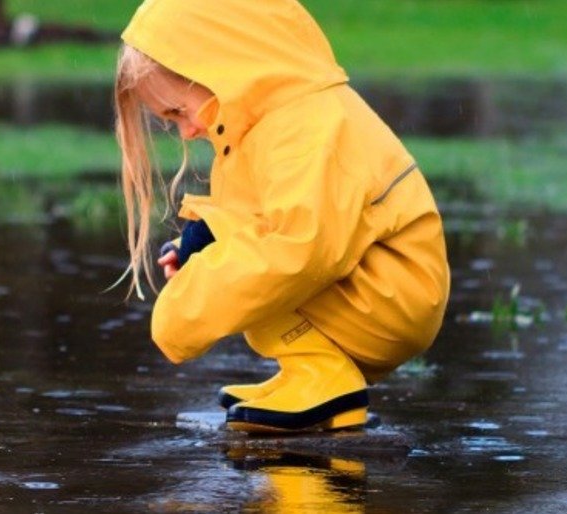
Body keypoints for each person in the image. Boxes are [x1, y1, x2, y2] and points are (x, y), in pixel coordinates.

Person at [113, 0, 450, 433]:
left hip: (392, 300)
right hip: (373, 290)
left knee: (259, 273)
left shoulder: (306, 126)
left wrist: (186, 310)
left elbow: (301, 250)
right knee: (244, 268)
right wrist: (199, 245)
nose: (186, 130)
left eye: (179, 112)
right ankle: (308, 372)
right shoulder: (262, 125)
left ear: (219, 67)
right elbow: (255, 215)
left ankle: (326, 381)